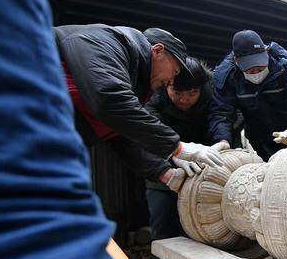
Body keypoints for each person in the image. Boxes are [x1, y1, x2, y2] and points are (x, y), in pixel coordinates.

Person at [0, 0, 134, 259]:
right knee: (33, 226)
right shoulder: (104, 47)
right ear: (159, 55)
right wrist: (175, 151)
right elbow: (110, 102)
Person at [55, 23, 223, 189]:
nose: (172, 80)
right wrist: (176, 147)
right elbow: (108, 97)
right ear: (158, 51)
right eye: (175, 71)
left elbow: (122, 135)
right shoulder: (105, 42)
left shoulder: (133, 86)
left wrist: (166, 174)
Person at [209, 30, 287, 161]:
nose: (256, 73)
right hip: (261, 140)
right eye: (250, 70)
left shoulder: (283, 65)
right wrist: (223, 140)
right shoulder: (227, 76)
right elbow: (221, 113)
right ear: (237, 61)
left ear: (266, 52)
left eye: (260, 68)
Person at [142, 57, 214, 240]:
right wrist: (170, 159)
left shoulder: (212, 97)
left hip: (204, 172)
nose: (184, 99)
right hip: (165, 172)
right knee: (165, 229)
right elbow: (149, 136)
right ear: (167, 85)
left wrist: (221, 145)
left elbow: (228, 119)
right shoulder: (152, 99)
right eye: (177, 92)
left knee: (207, 229)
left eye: (192, 93)